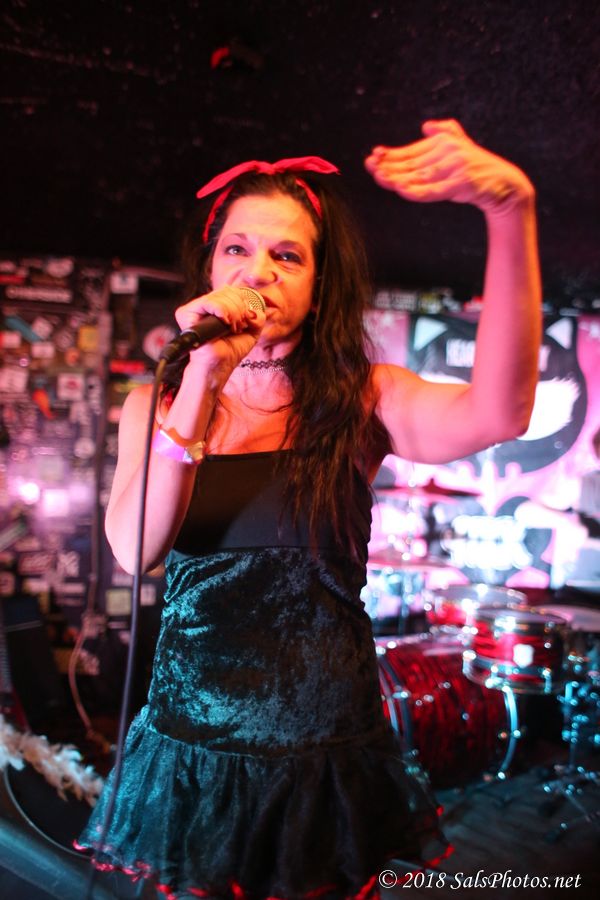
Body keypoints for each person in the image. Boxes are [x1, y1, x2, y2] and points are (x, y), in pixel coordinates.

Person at [76, 119, 541, 899]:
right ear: (210, 266)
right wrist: (202, 380)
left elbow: (502, 412)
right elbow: (135, 547)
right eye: (237, 248)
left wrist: (509, 210)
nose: (257, 270)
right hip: (192, 754)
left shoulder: (366, 397)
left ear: (320, 287)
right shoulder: (155, 405)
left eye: (287, 256)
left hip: (323, 759)